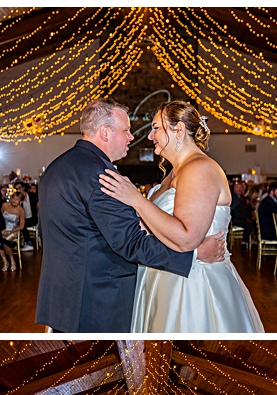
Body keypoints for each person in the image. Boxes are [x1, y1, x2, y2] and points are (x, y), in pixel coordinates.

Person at [35, 99, 227, 333]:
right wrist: (195, 254)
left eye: (155, 128)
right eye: (126, 130)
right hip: (95, 300)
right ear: (105, 132)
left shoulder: (59, 166)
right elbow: (131, 242)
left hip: (65, 296)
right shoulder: (101, 175)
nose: (134, 137)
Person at [98, 101, 264, 333]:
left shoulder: (199, 169)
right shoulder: (172, 174)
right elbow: (150, 229)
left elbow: (187, 237)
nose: (149, 136)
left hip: (193, 285)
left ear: (178, 130)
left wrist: (136, 200)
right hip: (162, 277)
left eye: (156, 128)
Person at [0, 189, 28, 268]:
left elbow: (22, 226)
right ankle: (5, 261)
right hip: (3, 229)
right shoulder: (5, 205)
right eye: (13, 198)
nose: (14, 201)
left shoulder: (21, 210)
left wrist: (10, 232)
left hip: (13, 230)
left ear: (20, 201)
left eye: (17, 199)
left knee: (5, 240)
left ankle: (12, 261)